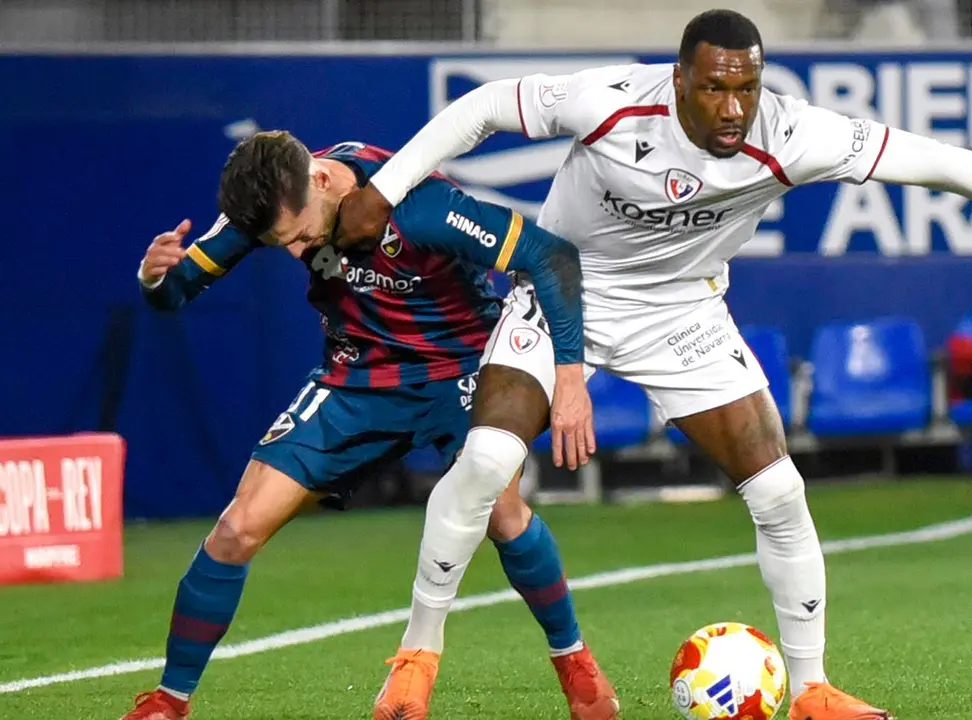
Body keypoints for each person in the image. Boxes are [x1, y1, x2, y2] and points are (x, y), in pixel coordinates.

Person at [338, 9, 972, 719]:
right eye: (714, 87)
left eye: (745, 86)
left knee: (777, 487)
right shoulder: (610, 102)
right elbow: (482, 106)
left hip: (683, 311)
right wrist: (387, 187)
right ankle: (417, 654)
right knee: (486, 459)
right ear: (677, 81)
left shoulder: (793, 131)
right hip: (570, 290)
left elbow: (932, 161)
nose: (733, 106)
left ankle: (809, 689)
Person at [120, 132, 614, 720]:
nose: (300, 248)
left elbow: (547, 254)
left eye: (303, 234)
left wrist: (567, 377)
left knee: (504, 515)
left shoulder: (421, 206)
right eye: (285, 244)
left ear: (323, 180)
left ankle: (575, 662)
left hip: (461, 366)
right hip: (358, 376)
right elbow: (176, 291)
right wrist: (155, 276)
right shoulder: (267, 206)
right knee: (236, 528)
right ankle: (169, 703)